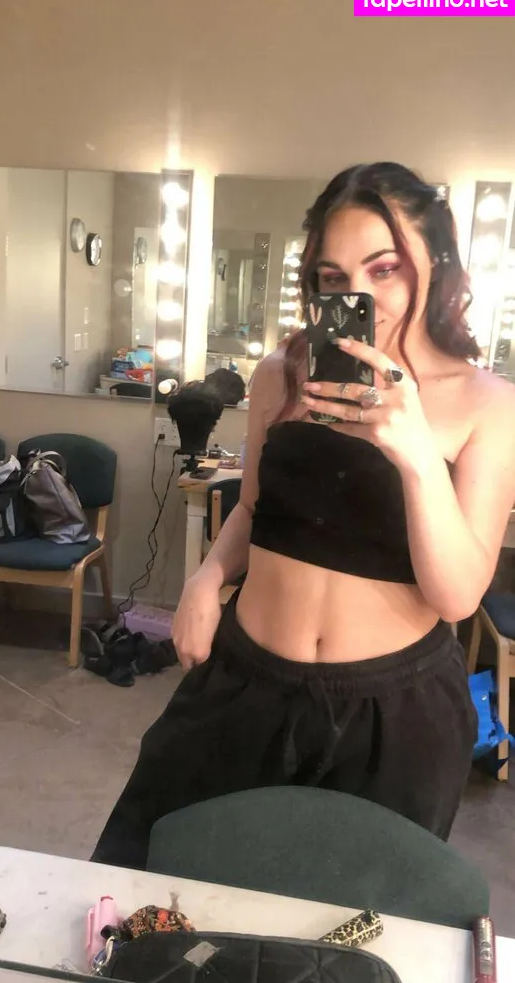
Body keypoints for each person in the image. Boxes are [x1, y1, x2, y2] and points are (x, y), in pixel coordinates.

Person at [92, 162, 515, 869]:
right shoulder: (280, 375)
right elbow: (254, 508)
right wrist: (206, 579)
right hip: (244, 683)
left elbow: (456, 597)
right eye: (332, 276)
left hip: (392, 713)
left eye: (384, 268)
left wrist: (415, 452)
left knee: (347, 919)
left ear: (436, 264)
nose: (357, 296)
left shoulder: (488, 404)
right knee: (152, 875)